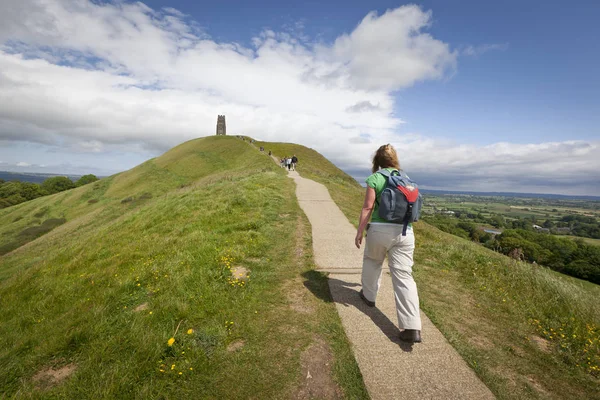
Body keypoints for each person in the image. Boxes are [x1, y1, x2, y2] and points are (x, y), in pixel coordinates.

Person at [354, 144, 422, 343]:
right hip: (405, 232)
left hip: (380, 230)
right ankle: (412, 327)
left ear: (377, 161)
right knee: (404, 276)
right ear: (395, 160)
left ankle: (369, 296)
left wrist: (359, 232)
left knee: (373, 261)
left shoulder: (376, 178)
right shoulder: (406, 179)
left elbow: (368, 207)